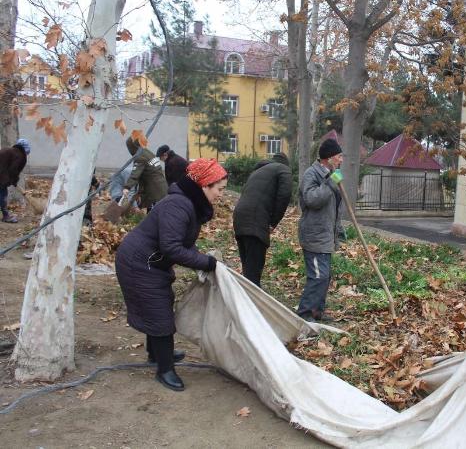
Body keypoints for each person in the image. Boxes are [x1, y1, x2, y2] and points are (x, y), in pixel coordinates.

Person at [115, 158, 227, 392]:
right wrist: (207, 263)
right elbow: (172, 248)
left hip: (151, 263)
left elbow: (182, 244)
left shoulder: (189, 203)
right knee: (160, 314)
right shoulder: (178, 205)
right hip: (139, 264)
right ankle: (164, 369)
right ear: (204, 185)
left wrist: (201, 259)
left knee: (160, 304)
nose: (221, 195)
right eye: (219, 189)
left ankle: (156, 354)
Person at [297, 139, 344, 322]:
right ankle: (305, 315)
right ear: (330, 157)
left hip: (325, 235)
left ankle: (317, 311)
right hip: (314, 235)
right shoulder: (312, 173)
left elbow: (334, 205)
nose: (341, 160)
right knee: (318, 276)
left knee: (324, 276)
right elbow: (311, 199)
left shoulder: (330, 174)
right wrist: (330, 183)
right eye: (339, 156)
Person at [233, 153, 292, 286]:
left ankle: (245, 299)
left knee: (248, 268)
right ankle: (250, 304)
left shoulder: (258, 171)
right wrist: (273, 222)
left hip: (239, 218)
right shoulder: (283, 169)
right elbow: (285, 195)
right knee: (253, 274)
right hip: (255, 221)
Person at [123, 138, 168, 211]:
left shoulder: (140, 157)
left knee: (155, 214)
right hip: (161, 187)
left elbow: (135, 174)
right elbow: (145, 174)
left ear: (132, 147)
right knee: (155, 212)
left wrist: (127, 187)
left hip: (155, 190)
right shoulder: (147, 152)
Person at [0, 138, 30, 223]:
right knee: (3, 195)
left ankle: (5, 215)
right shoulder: (19, 155)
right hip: (1, 176)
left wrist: (12, 180)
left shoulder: (11, 151)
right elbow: (13, 170)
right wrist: (14, 180)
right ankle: (6, 216)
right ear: (25, 149)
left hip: (1, 175)